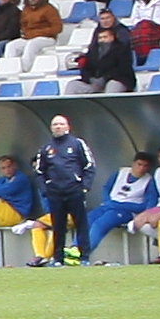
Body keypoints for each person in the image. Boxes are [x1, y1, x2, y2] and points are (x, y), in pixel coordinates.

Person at [33, 113, 98, 266]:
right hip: (55, 193)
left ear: (68, 127)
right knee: (58, 226)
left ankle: (84, 257)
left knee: (81, 224)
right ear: (51, 128)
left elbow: (89, 166)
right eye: (55, 124)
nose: (58, 127)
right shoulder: (46, 148)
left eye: (61, 124)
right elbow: (39, 172)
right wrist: (46, 190)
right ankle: (58, 258)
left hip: (75, 191)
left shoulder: (77, 144)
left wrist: (84, 187)